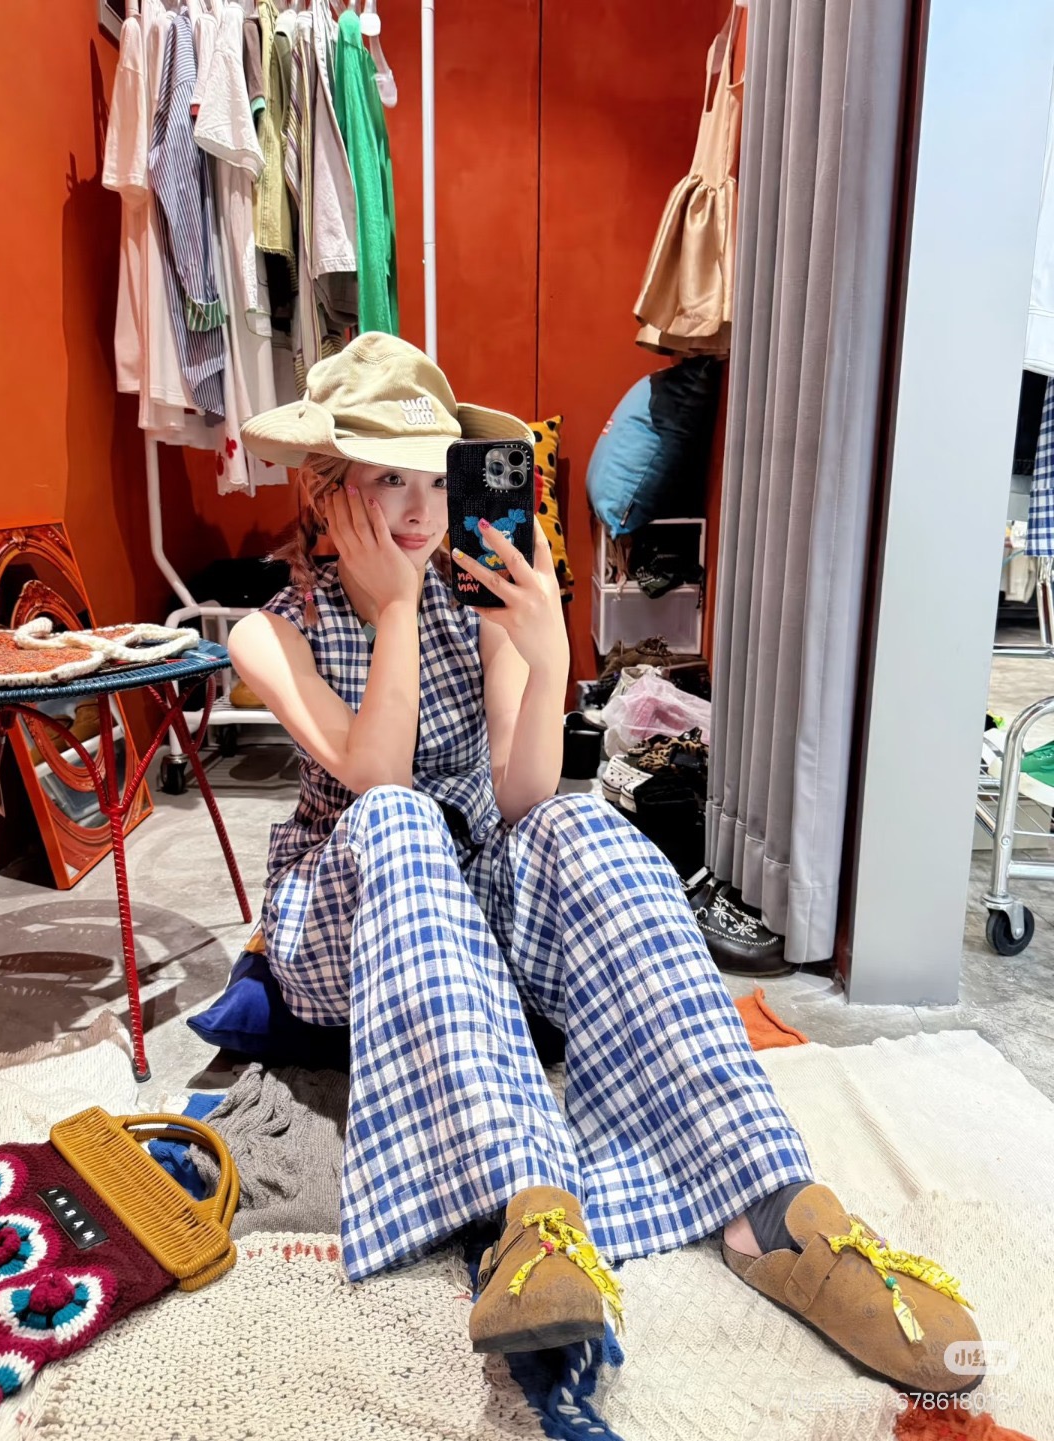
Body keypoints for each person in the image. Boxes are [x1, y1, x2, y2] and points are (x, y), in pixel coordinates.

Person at [230, 332, 980, 1388]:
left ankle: (770, 1202)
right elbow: (378, 778)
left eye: (435, 475)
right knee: (401, 821)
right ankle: (526, 1207)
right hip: (347, 907)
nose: (418, 509)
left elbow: (522, 798)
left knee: (584, 827)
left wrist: (547, 656)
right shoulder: (271, 632)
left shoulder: (475, 602)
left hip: (468, 892)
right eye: (385, 478)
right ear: (325, 490)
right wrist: (394, 607)